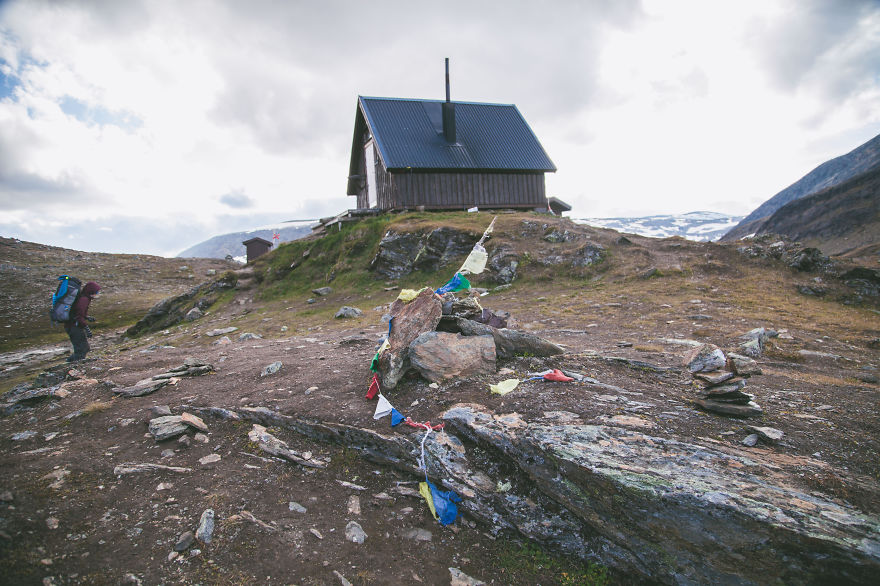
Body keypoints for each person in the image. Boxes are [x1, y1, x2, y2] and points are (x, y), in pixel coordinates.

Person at [65, 281, 101, 362]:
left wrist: (87, 317)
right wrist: (86, 328)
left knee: (84, 348)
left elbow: (78, 312)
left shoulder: (84, 298)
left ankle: (72, 362)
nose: (97, 294)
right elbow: (79, 316)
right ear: (91, 291)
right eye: (96, 292)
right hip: (73, 326)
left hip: (72, 325)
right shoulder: (84, 299)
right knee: (81, 349)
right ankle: (74, 364)